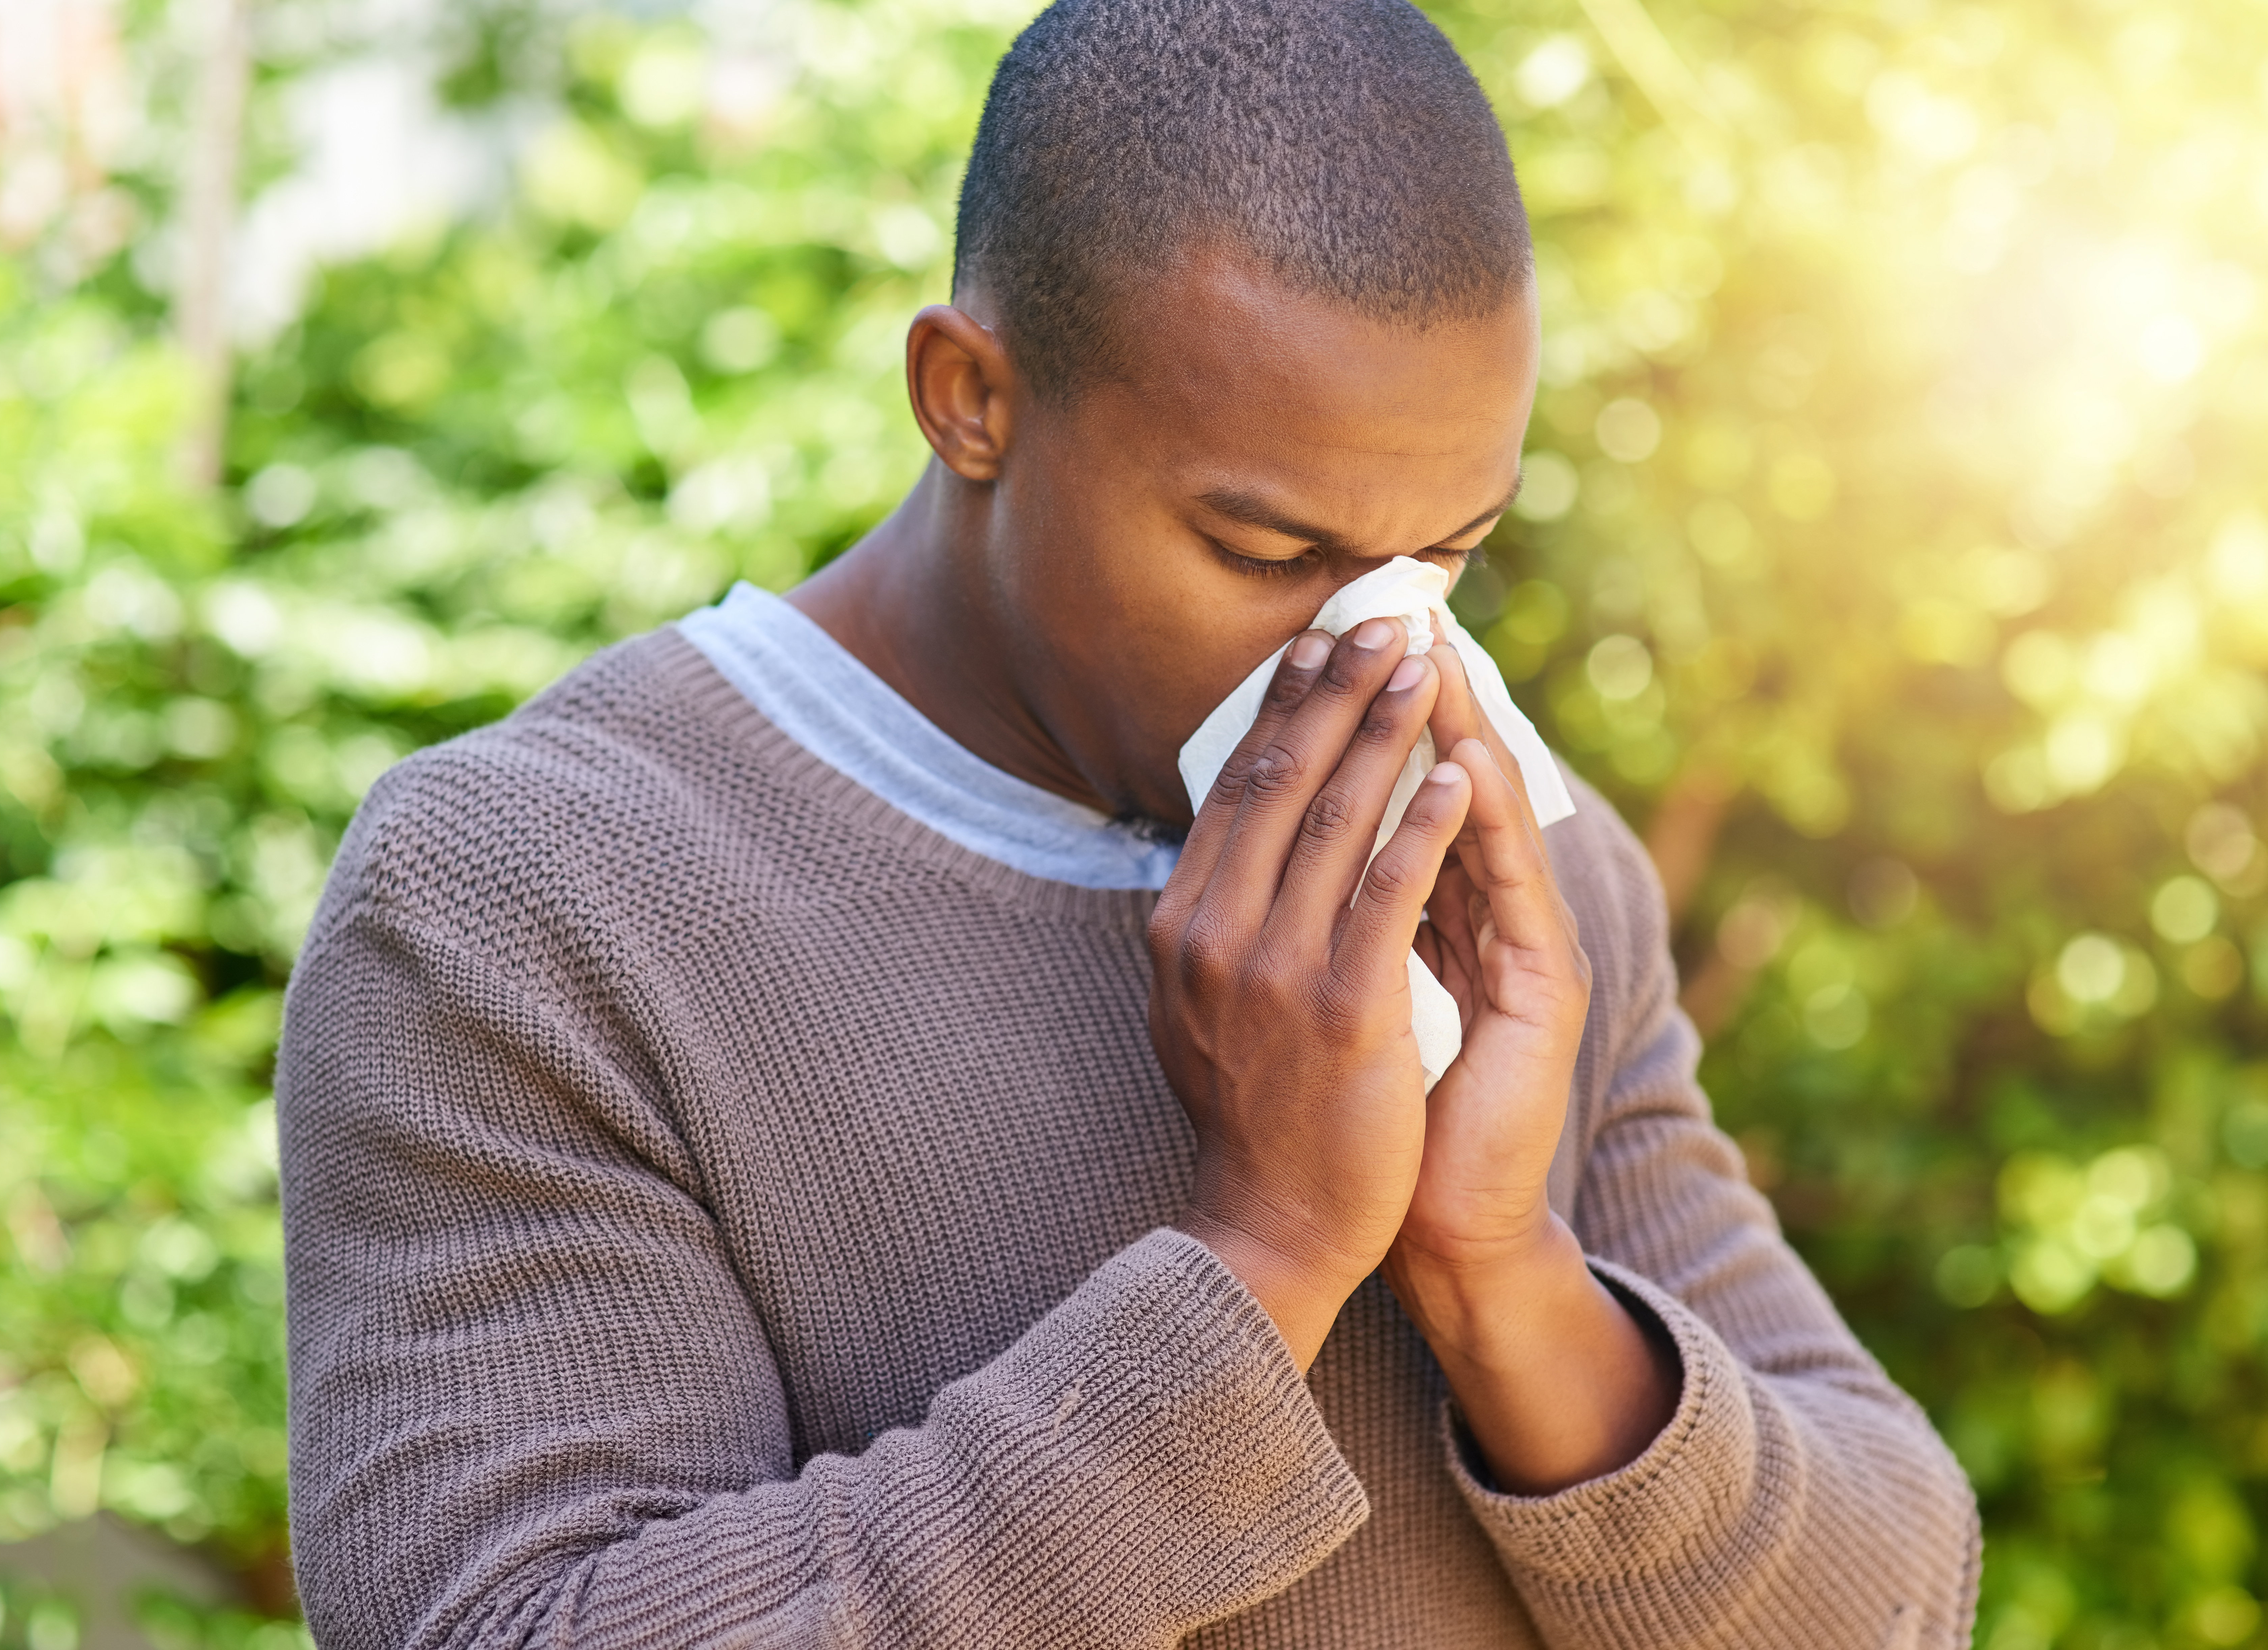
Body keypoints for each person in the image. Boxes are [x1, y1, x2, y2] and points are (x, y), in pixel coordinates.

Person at [277, 1, 1980, 1645]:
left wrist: (1498, 1268)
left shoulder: (1520, 874)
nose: (1369, 654)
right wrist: (1276, 1249)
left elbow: (1893, 1601)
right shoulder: (526, 903)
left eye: (1445, 554)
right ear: (971, 400)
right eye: (1267, 553)